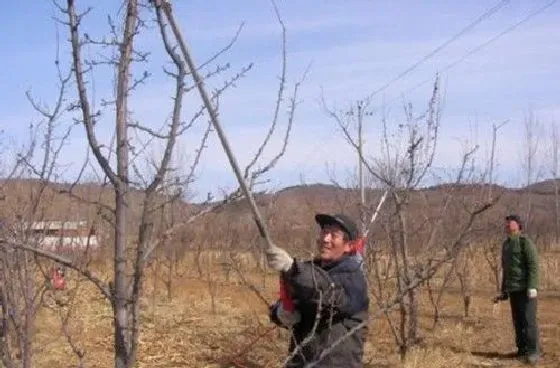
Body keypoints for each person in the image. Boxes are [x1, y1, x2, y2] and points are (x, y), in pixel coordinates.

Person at [266, 213, 369, 368]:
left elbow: (328, 294)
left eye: (334, 235)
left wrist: (293, 269)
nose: (325, 239)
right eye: (324, 232)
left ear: (348, 246)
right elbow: (290, 302)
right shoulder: (309, 271)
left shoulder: (354, 278)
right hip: (301, 361)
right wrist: (281, 312)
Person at [493, 214, 540, 365]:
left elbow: (533, 265)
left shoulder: (525, 242)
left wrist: (532, 286)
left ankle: (533, 352)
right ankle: (522, 350)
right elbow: (505, 269)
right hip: (513, 289)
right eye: (506, 223)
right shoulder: (506, 244)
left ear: (518, 225)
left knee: (528, 321)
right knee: (517, 321)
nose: (507, 225)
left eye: (510, 223)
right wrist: (503, 290)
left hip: (526, 289)